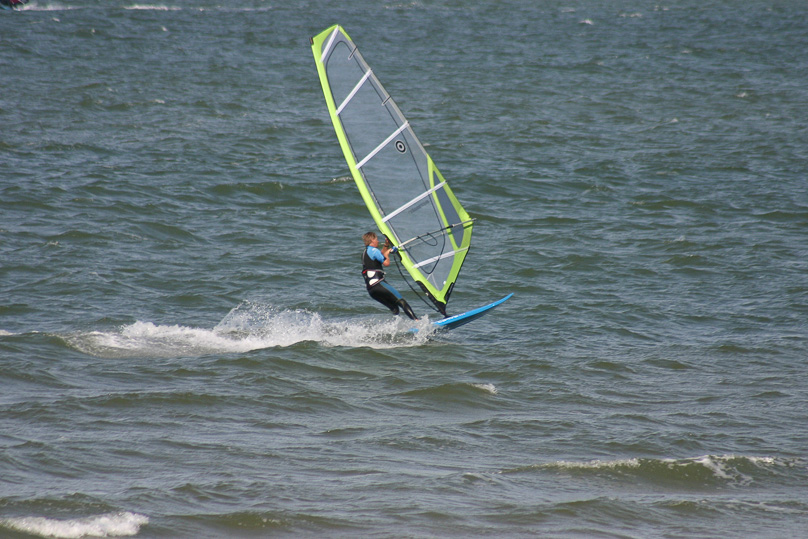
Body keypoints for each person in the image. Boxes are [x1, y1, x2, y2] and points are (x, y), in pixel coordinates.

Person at [361, 231, 418, 320]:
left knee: (394, 308)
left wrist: (386, 246)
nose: (378, 241)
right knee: (401, 301)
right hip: (378, 284)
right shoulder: (374, 250)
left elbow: (380, 256)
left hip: (371, 290)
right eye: (376, 239)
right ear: (372, 240)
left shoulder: (365, 252)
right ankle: (417, 322)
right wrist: (388, 253)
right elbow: (386, 263)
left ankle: (394, 327)